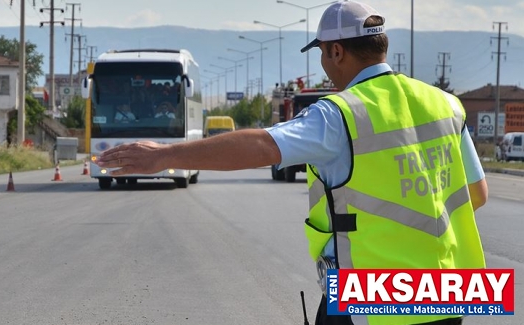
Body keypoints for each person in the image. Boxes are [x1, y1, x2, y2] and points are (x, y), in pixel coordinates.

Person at [94, 1, 488, 324]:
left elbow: (263, 146)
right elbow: (477, 194)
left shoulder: (340, 114)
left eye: (321, 53)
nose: (324, 64)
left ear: (336, 51)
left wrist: (164, 156)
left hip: (370, 296)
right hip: (448, 289)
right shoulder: (444, 105)